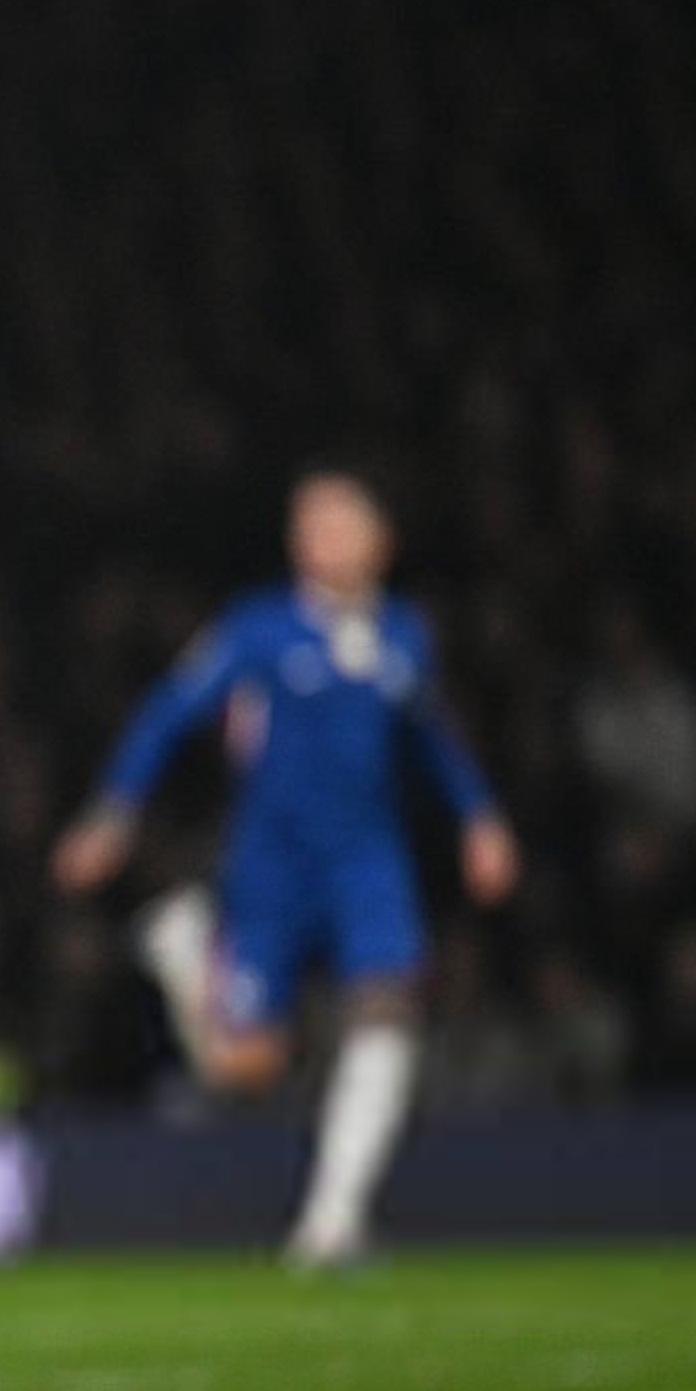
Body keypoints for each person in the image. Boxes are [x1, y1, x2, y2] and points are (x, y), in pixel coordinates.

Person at [52, 470, 521, 1267]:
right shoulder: (259, 629)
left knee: (388, 1010)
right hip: (270, 868)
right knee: (247, 1068)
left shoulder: (404, 636)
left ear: (381, 539)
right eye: (310, 523)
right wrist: (114, 812)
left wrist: (480, 818)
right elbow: (171, 710)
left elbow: (433, 737)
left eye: (339, 520)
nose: (319, 536)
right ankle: (187, 956)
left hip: (367, 863)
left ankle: (332, 1220)